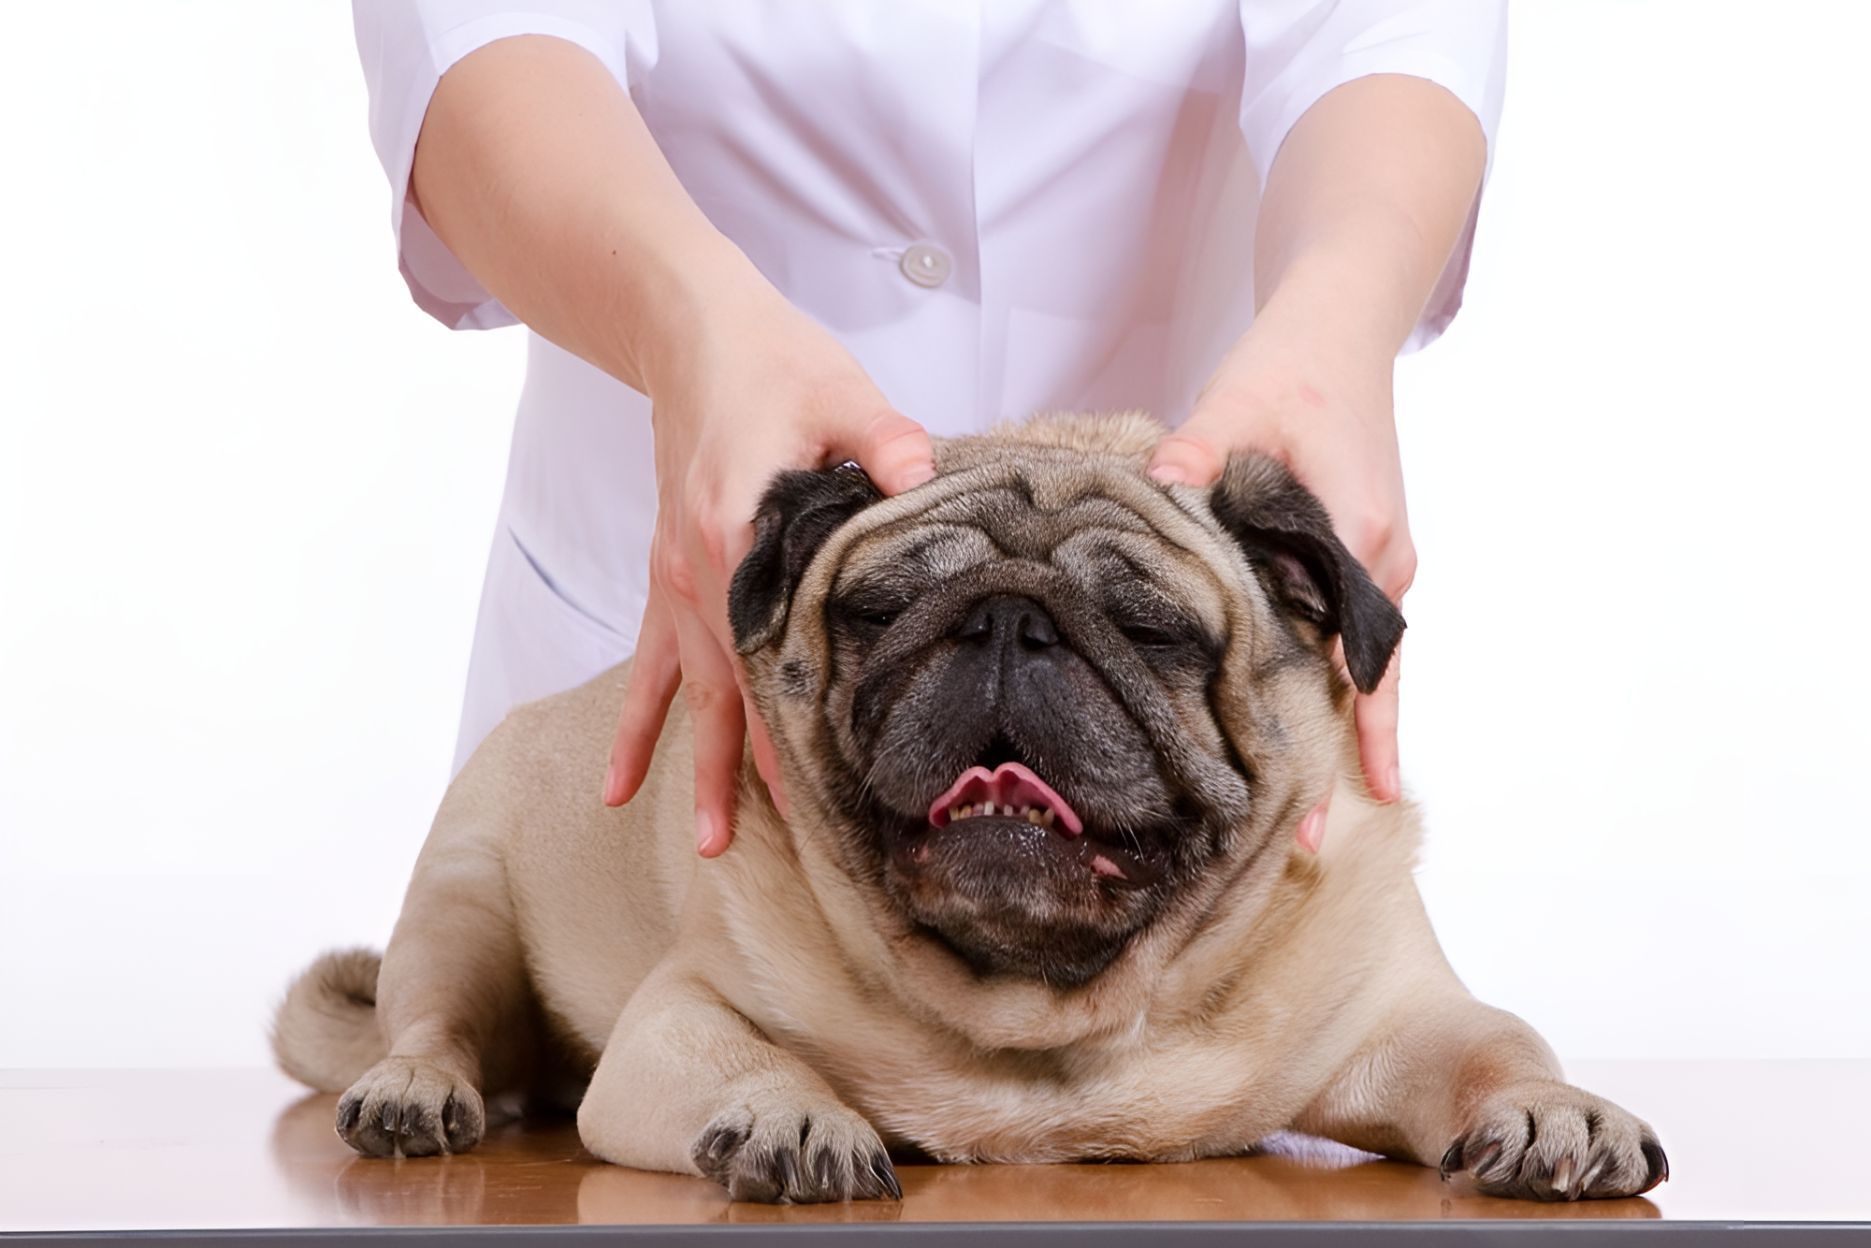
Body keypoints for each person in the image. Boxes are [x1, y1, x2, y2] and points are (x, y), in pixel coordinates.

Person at [354, 2, 1504, 859]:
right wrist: (683, 326)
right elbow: (474, 44)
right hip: (677, 642)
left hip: (1174, 771)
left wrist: (1339, 316)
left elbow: (1383, 38)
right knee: (637, 1123)